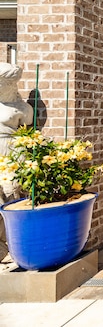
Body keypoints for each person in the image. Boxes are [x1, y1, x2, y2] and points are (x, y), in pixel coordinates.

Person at [0, 62, 33, 263]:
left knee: (13, 193)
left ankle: (15, 242)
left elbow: (27, 124)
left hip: (12, 152)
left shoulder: (22, 108)